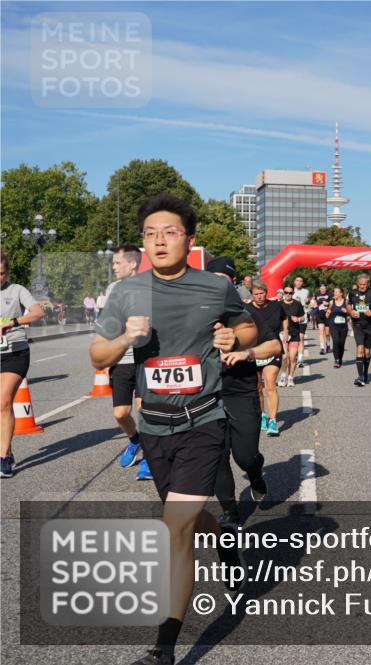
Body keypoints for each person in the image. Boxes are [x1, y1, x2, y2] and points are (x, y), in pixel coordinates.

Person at [90, 193, 256, 665]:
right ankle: (225, 535)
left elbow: (248, 329)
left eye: (170, 232)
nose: (159, 241)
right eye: (150, 234)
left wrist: (232, 336)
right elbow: (97, 357)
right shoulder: (126, 293)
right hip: (154, 429)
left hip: (203, 421)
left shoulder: (213, 287)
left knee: (173, 529)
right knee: (186, 524)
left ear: (189, 239)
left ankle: (164, 647)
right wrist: (125, 338)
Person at [206, 257, 280, 528]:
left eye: (222, 281)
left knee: (244, 456)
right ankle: (231, 512)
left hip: (241, 392)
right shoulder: (194, 313)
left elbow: (274, 347)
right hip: (205, 396)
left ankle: (256, 474)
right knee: (216, 456)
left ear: (233, 284)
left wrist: (245, 352)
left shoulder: (246, 313)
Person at [104, 245, 151, 479]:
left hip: (146, 358)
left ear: (132, 264)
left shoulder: (149, 286)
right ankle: (135, 440)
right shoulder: (113, 288)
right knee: (121, 413)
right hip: (122, 358)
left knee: (146, 410)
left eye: (116, 263)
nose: (113, 266)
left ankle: (150, 460)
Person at [0, 252, 45, 478]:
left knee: (4, 400)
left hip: (14, 353)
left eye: (1, 273)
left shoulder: (16, 290)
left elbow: (38, 312)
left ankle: (4, 456)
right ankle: (5, 445)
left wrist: (13, 322)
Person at [248, 280, 286, 437]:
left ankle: (272, 420)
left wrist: (285, 332)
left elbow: (284, 318)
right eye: (256, 294)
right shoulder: (247, 309)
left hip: (273, 349)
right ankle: (263, 415)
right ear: (252, 295)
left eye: (261, 293)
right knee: (257, 387)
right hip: (254, 351)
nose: (259, 296)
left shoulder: (276, 306)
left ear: (266, 292)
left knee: (270, 384)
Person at [346, 272, 371, 386]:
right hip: (357, 324)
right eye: (360, 284)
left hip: (370, 325)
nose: (362, 286)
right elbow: (348, 304)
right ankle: (360, 376)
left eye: (364, 284)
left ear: (368, 284)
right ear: (357, 283)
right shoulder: (352, 293)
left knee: (367, 352)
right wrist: (351, 311)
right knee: (360, 348)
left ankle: (365, 372)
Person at [278, 285, 305, 387]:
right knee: (284, 357)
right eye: (286, 292)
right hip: (282, 334)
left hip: (294, 333)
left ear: (293, 294)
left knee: (293, 357)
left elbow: (303, 317)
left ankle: (290, 378)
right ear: (283, 293)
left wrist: (298, 319)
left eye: (290, 293)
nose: (288, 295)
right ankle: (283, 376)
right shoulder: (279, 304)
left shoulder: (297, 304)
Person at [325, 286, 350, 369]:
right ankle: (336, 360)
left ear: (341, 293)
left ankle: (340, 359)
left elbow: (350, 314)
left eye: (336, 292)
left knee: (341, 344)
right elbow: (327, 314)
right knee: (336, 342)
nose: (334, 293)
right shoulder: (332, 302)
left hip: (343, 326)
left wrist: (346, 312)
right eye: (334, 292)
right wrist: (328, 311)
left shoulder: (346, 302)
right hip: (334, 325)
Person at [292, 276, 310, 364]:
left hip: (303, 317)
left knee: (301, 337)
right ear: (294, 281)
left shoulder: (306, 292)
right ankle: (293, 356)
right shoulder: (289, 291)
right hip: (291, 318)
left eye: (301, 281)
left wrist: (307, 302)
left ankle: (300, 359)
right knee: (293, 339)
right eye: (297, 280)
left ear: (302, 283)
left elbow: (307, 304)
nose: (299, 282)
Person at [315, 284, 331, 354]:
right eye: (321, 289)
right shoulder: (316, 294)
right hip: (319, 315)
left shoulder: (329, 294)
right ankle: (322, 348)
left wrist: (327, 303)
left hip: (327, 315)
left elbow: (332, 303)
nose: (322, 290)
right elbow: (314, 303)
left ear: (325, 289)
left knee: (327, 333)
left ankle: (328, 345)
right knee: (321, 331)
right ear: (319, 289)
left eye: (324, 289)